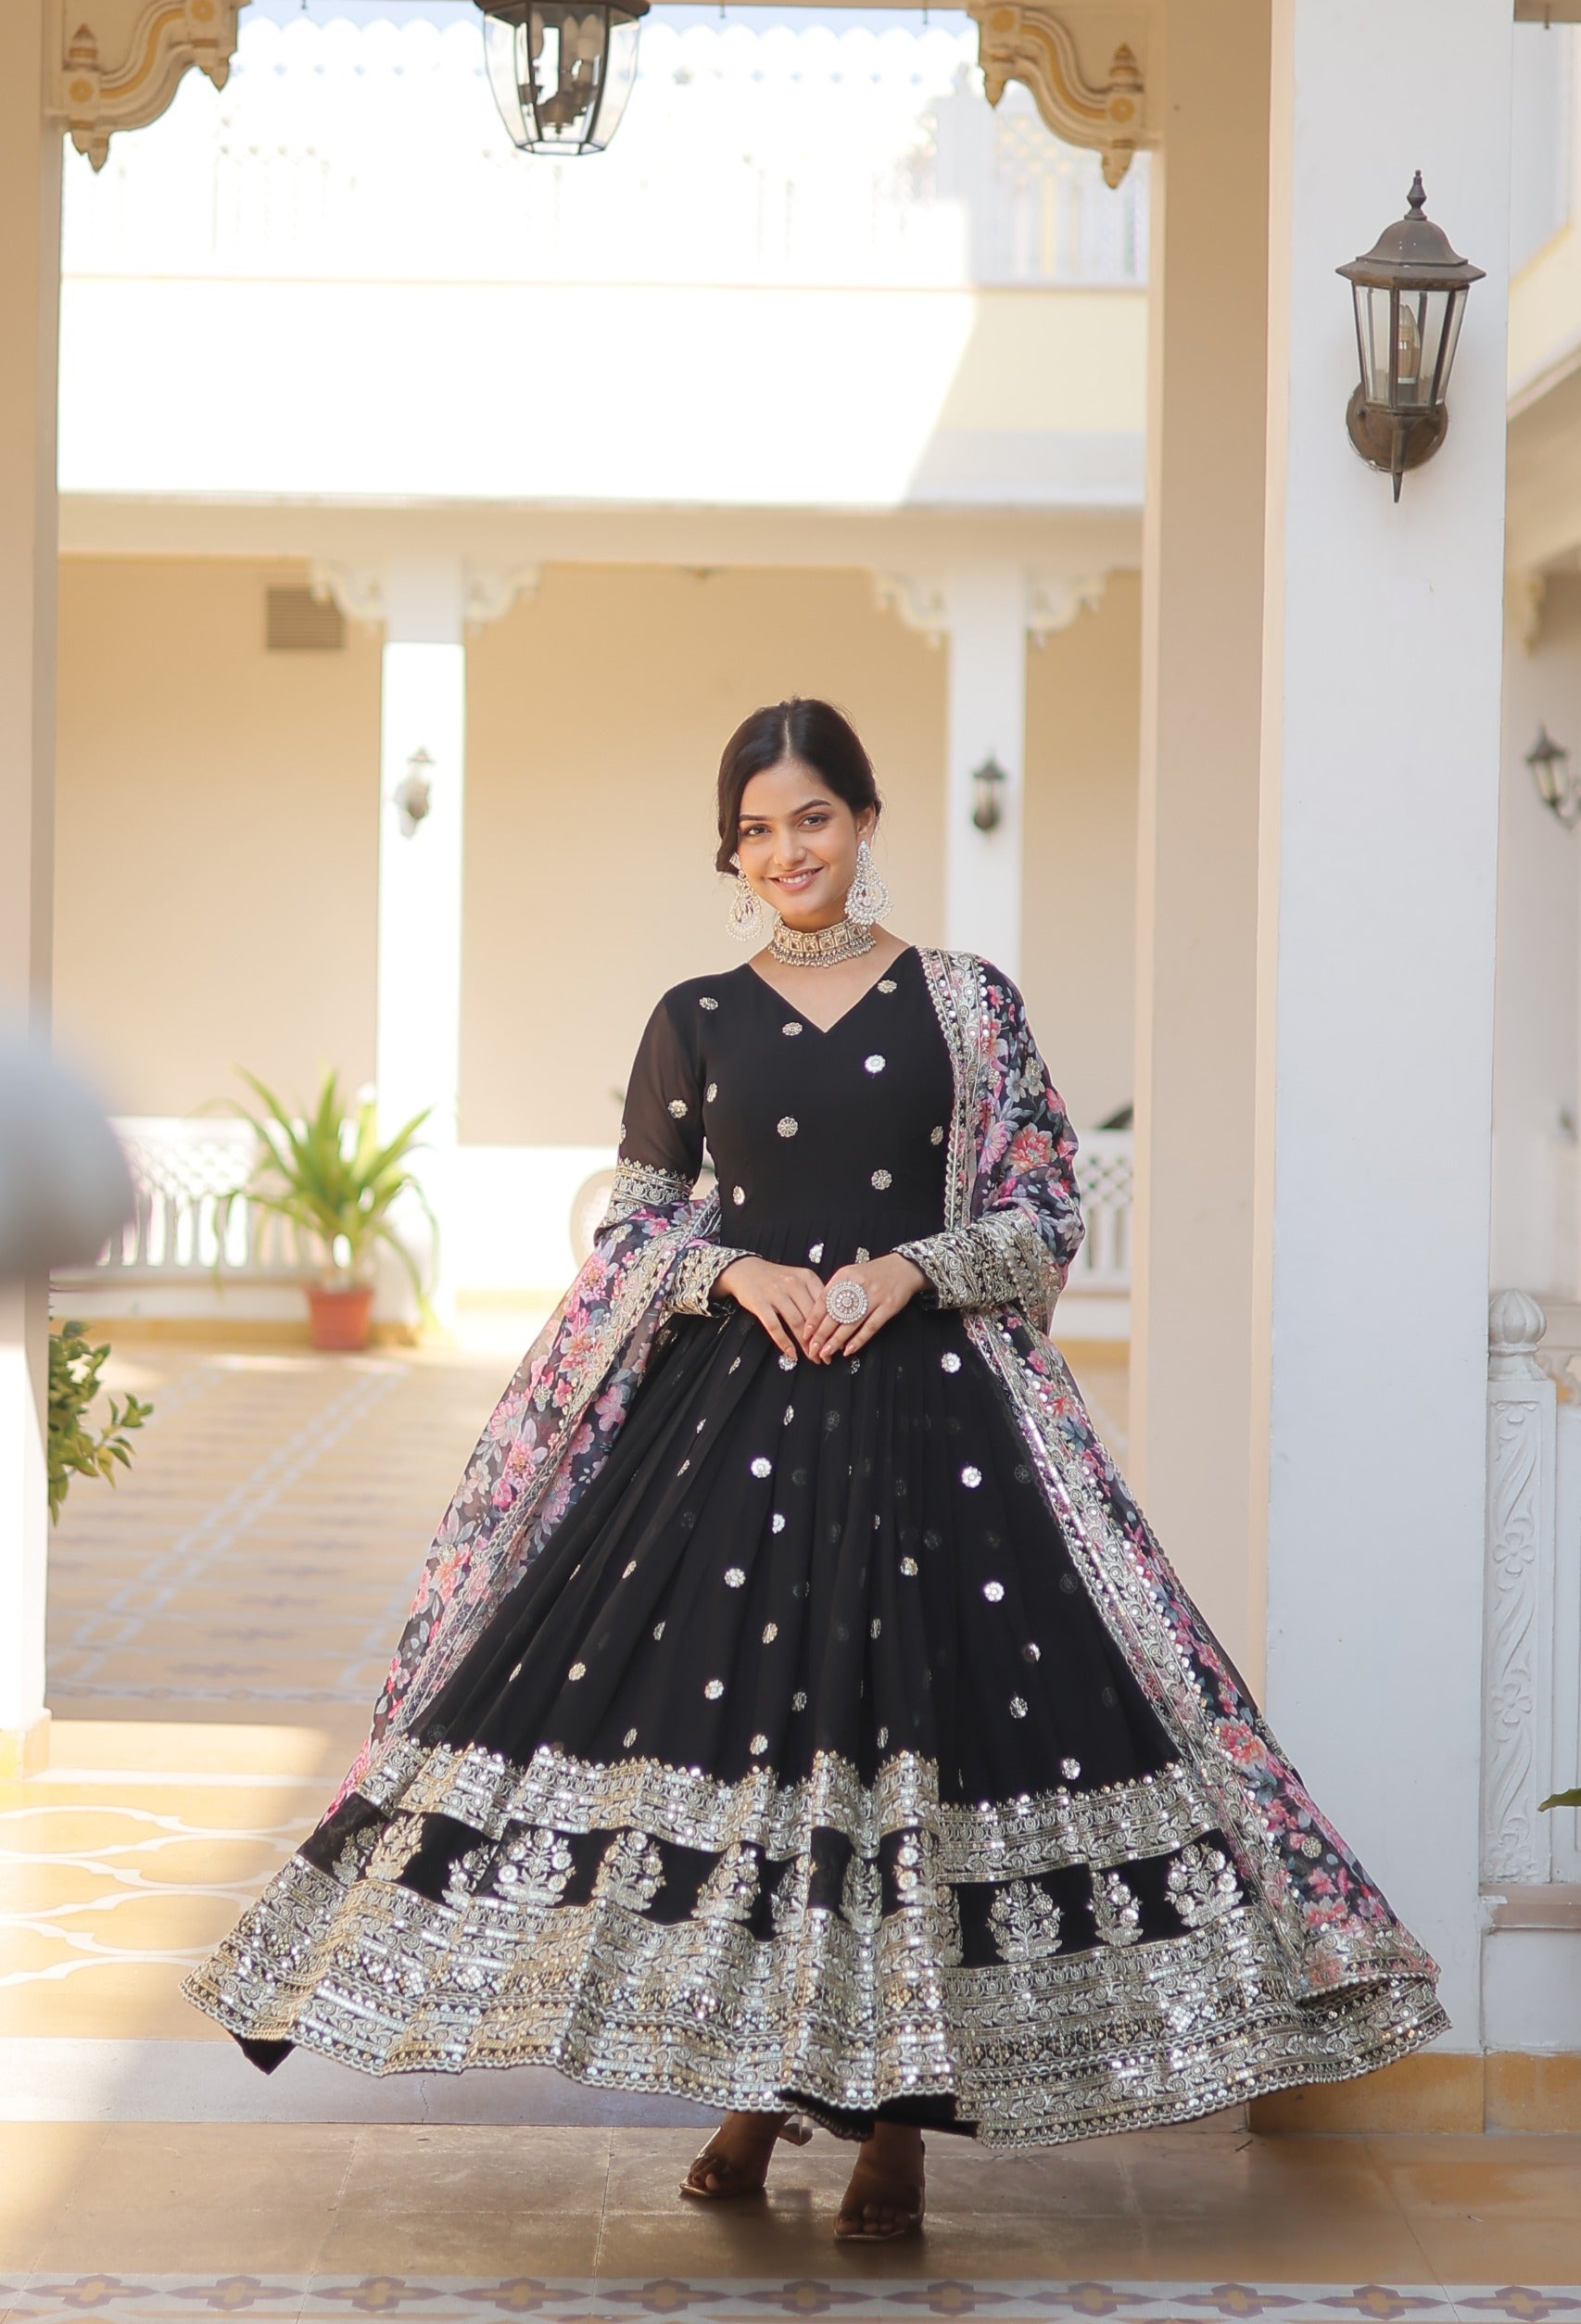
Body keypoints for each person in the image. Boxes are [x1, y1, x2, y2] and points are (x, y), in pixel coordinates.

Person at [186, 698, 1447, 2242]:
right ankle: (749, 2089)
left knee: (907, 1753)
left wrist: (917, 1266)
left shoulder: (966, 1004)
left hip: (939, 1432)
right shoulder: (696, 1016)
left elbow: (1049, 1207)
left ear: (863, 821)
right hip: (738, 1433)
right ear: (731, 848)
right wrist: (730, 1274)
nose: (788, 851)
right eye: (758, 829)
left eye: (815, 820)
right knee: (767, 1764)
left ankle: (893, 2138)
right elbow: (634, 1229)